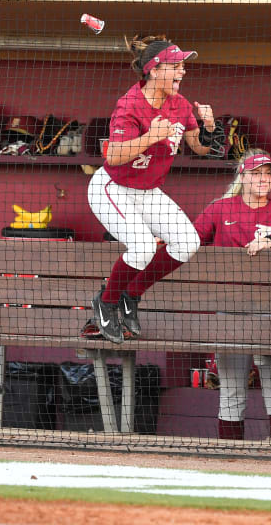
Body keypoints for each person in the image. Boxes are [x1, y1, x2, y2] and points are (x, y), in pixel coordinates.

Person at [87, 34, 223, 344]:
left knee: (188, 242)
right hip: (113, 187)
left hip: (148, 191)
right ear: (154, 69)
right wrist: (152, 136)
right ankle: (106, 302)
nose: (183, 71)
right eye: (176, 65)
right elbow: (114, 155)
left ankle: (130, 295)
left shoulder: (180, 104)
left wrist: (210, 128)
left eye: (183, 66)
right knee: (144, 246)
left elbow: (199, 149)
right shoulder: (129, 104)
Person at [194, 151, 271, 441]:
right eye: (256, 173)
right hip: (229, 307)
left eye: (268, 174)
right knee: (232, 386)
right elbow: (192, 239)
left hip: (270, 308)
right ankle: (230, 452)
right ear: (243, 176)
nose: (263, 179)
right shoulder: (220, 209)